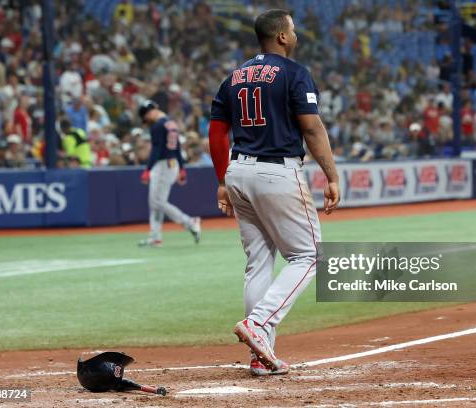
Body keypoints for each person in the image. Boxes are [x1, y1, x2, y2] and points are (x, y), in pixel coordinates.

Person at [209, 9, 339, 376]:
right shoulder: (295, 73)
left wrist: (222, 179)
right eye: (293, 29)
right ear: (282, 36)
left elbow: (216, 132)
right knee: (309, 255)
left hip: (238, 171)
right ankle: (259, 324)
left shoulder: (234, 77)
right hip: (276, 171)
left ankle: (259, 356)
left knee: (259, 262)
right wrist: (332, 176)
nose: (296, 34)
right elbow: (312, 129)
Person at [138, 100, 201, 248]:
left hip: (163, 165)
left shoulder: (158, 125)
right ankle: (155, 237)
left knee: (157, 202)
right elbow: (177, 147)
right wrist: (181, 167)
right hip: (171, 163)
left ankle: (190, 222)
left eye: (146, 117)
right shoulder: (171, 123)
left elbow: (156, 150)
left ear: (150, 112)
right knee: (155, 202)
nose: (147, 121)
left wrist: (148, 169)